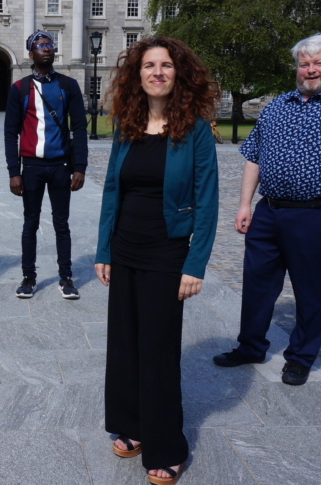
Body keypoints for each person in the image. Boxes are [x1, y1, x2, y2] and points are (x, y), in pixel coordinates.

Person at [213, 33, 321, 386]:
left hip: (315, 213)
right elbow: (253, 158)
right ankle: (250, 346)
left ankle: (301, 356)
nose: (310, 70)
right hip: (269, 210)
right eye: (304, 64)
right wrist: (245, 204)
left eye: (318, 63)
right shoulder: (278, 106)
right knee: (257, 283)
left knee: (309, 287)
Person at [94, 36, 219, 485]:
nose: (158, 72)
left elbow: (207, 201)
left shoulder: (196, 130)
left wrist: (195, 264)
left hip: (168, 251)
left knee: (159, 350)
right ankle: (131, 426)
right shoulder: (126, 124)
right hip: (125, 246)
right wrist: (104, 249)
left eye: (166, 65)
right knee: (125, 344)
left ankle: (167, 445)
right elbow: (113, 189)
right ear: (138, 75)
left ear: (178, 74)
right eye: (149, 65)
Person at [4, 30, 89, 300]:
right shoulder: (19, 88)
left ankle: (66, 277)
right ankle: (29, 277)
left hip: (61, 166)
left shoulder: (68, 85)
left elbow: (79, 128)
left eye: (49, 44)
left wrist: (80, 167)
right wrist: (13, 172)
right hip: (30, 167)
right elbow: (10, 132)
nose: (46, 49)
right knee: (30, 224)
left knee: (61, 224)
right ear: (31, 54)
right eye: (40, 46)